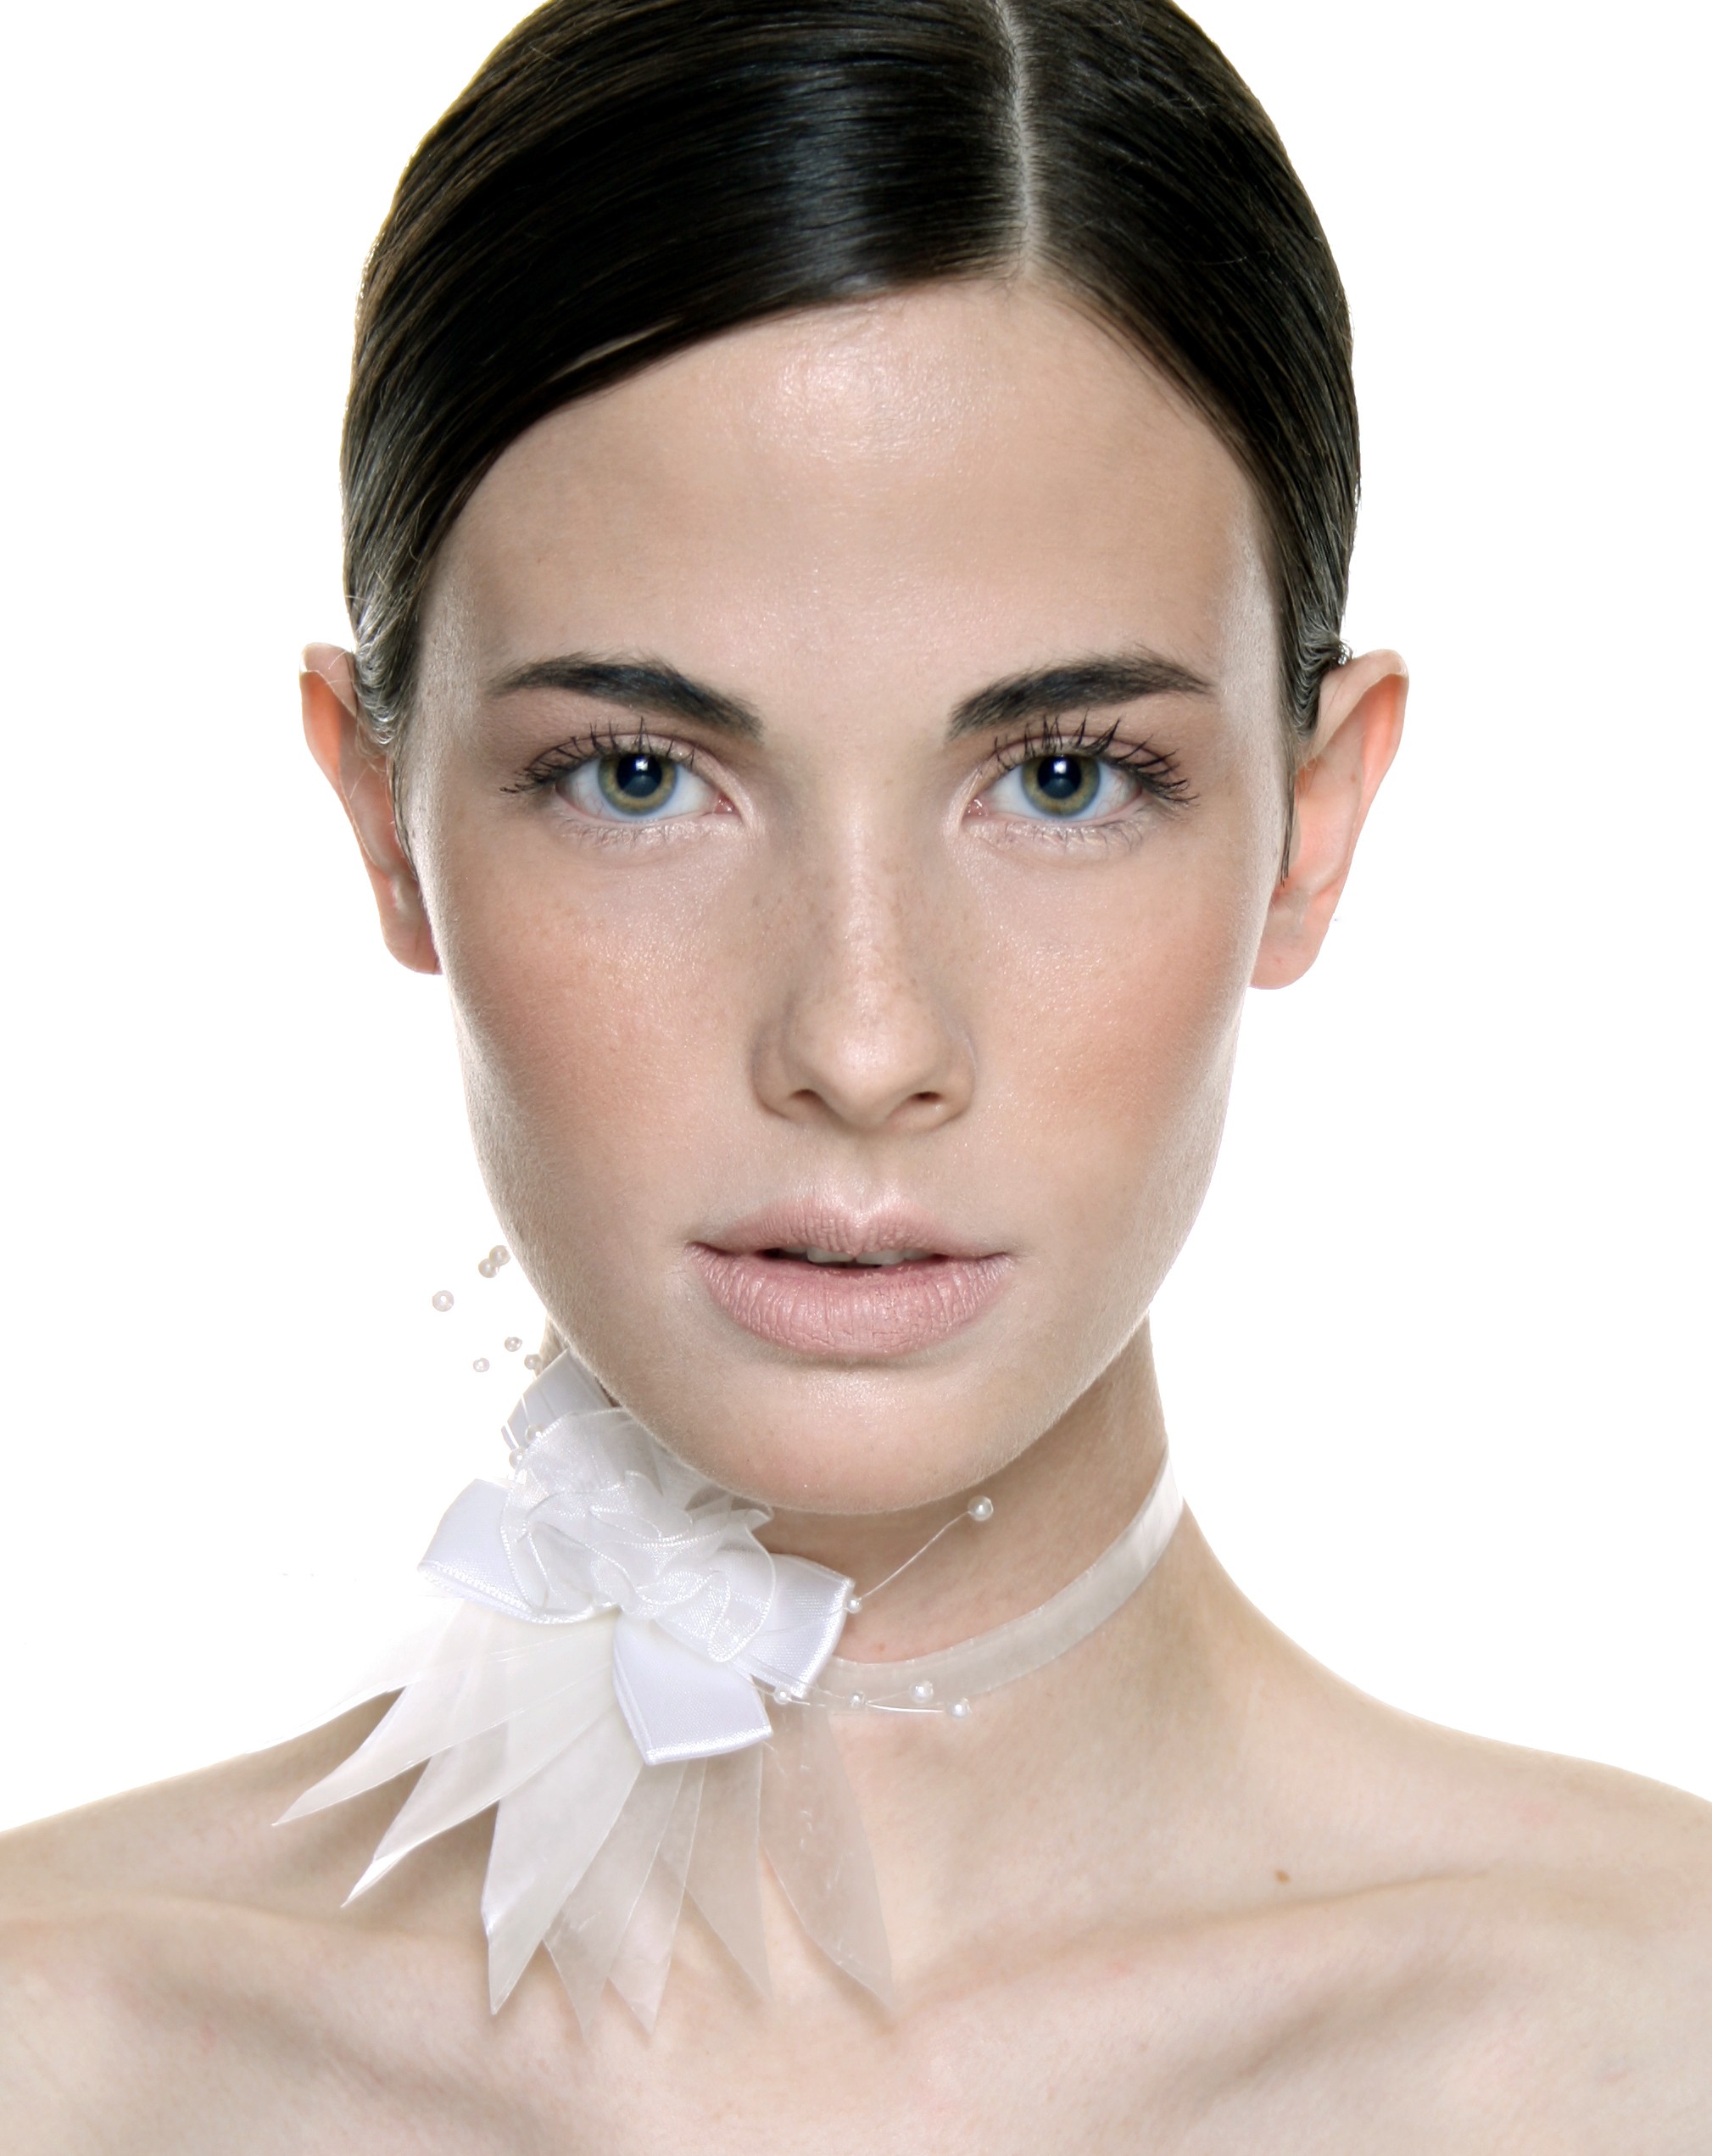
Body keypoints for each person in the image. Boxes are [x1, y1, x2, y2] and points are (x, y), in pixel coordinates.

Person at [3, 1, 1707, 2146]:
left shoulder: (1658, 2035)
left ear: (1314, 819)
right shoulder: (61, 2050)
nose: (862, 1040)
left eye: (1064, 775)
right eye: (635, 774)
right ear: (382, 814)